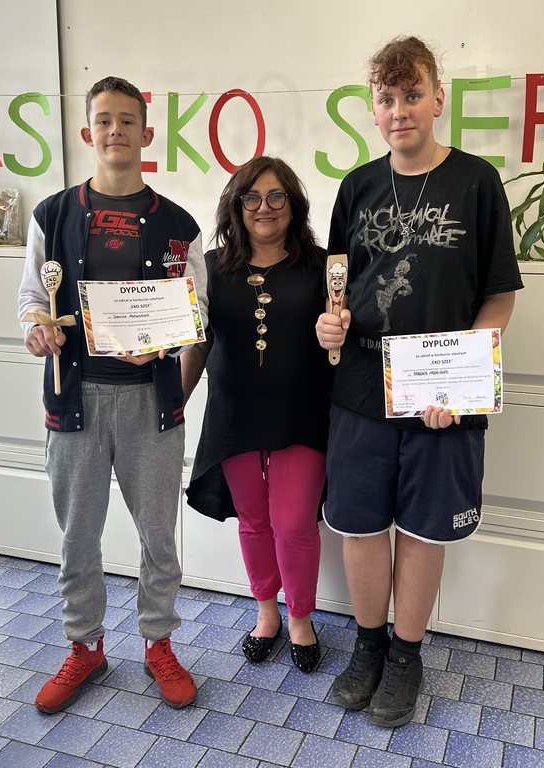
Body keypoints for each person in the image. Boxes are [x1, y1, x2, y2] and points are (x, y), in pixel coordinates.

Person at [315, 36, 523, 726]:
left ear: (438, 99)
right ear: (373, 110)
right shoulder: (357, 187)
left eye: (412, 95)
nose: (399, 110)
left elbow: (499, 296)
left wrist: (458, 385)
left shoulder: (477, 182)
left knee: (425, 529)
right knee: (359, 525)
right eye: (386, 98)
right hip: (360, 385)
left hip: (442, 387)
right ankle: (368, 647)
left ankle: (406, 655)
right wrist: (329, 325)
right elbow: (337, 290)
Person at [18, 76, 208, 713]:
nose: (115, 130)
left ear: (147, 134)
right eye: (104, 120)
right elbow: (31, 298)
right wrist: (37, 330)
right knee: (77, 537)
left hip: (151, 404)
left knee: (158, 536)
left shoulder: (178, 225)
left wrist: (163, 342)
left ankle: (158, 642)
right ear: (87, 132)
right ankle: (85, 647)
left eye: (128, 120)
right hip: (75, 400)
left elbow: (198, 310)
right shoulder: (53, 216)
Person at [182, 156, 332, 673]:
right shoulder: (211, 267)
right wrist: (175, 401)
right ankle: (266, 613)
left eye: (276, 196)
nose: (263, 207)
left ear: (294, 204)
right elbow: (196, 342)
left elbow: (343, 338)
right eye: (251, 197)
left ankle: (301, 618)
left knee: (294, 524)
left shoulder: (323, 266)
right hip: (233, 417)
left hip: (302, 416)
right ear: (236, 206)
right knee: (254, 521)